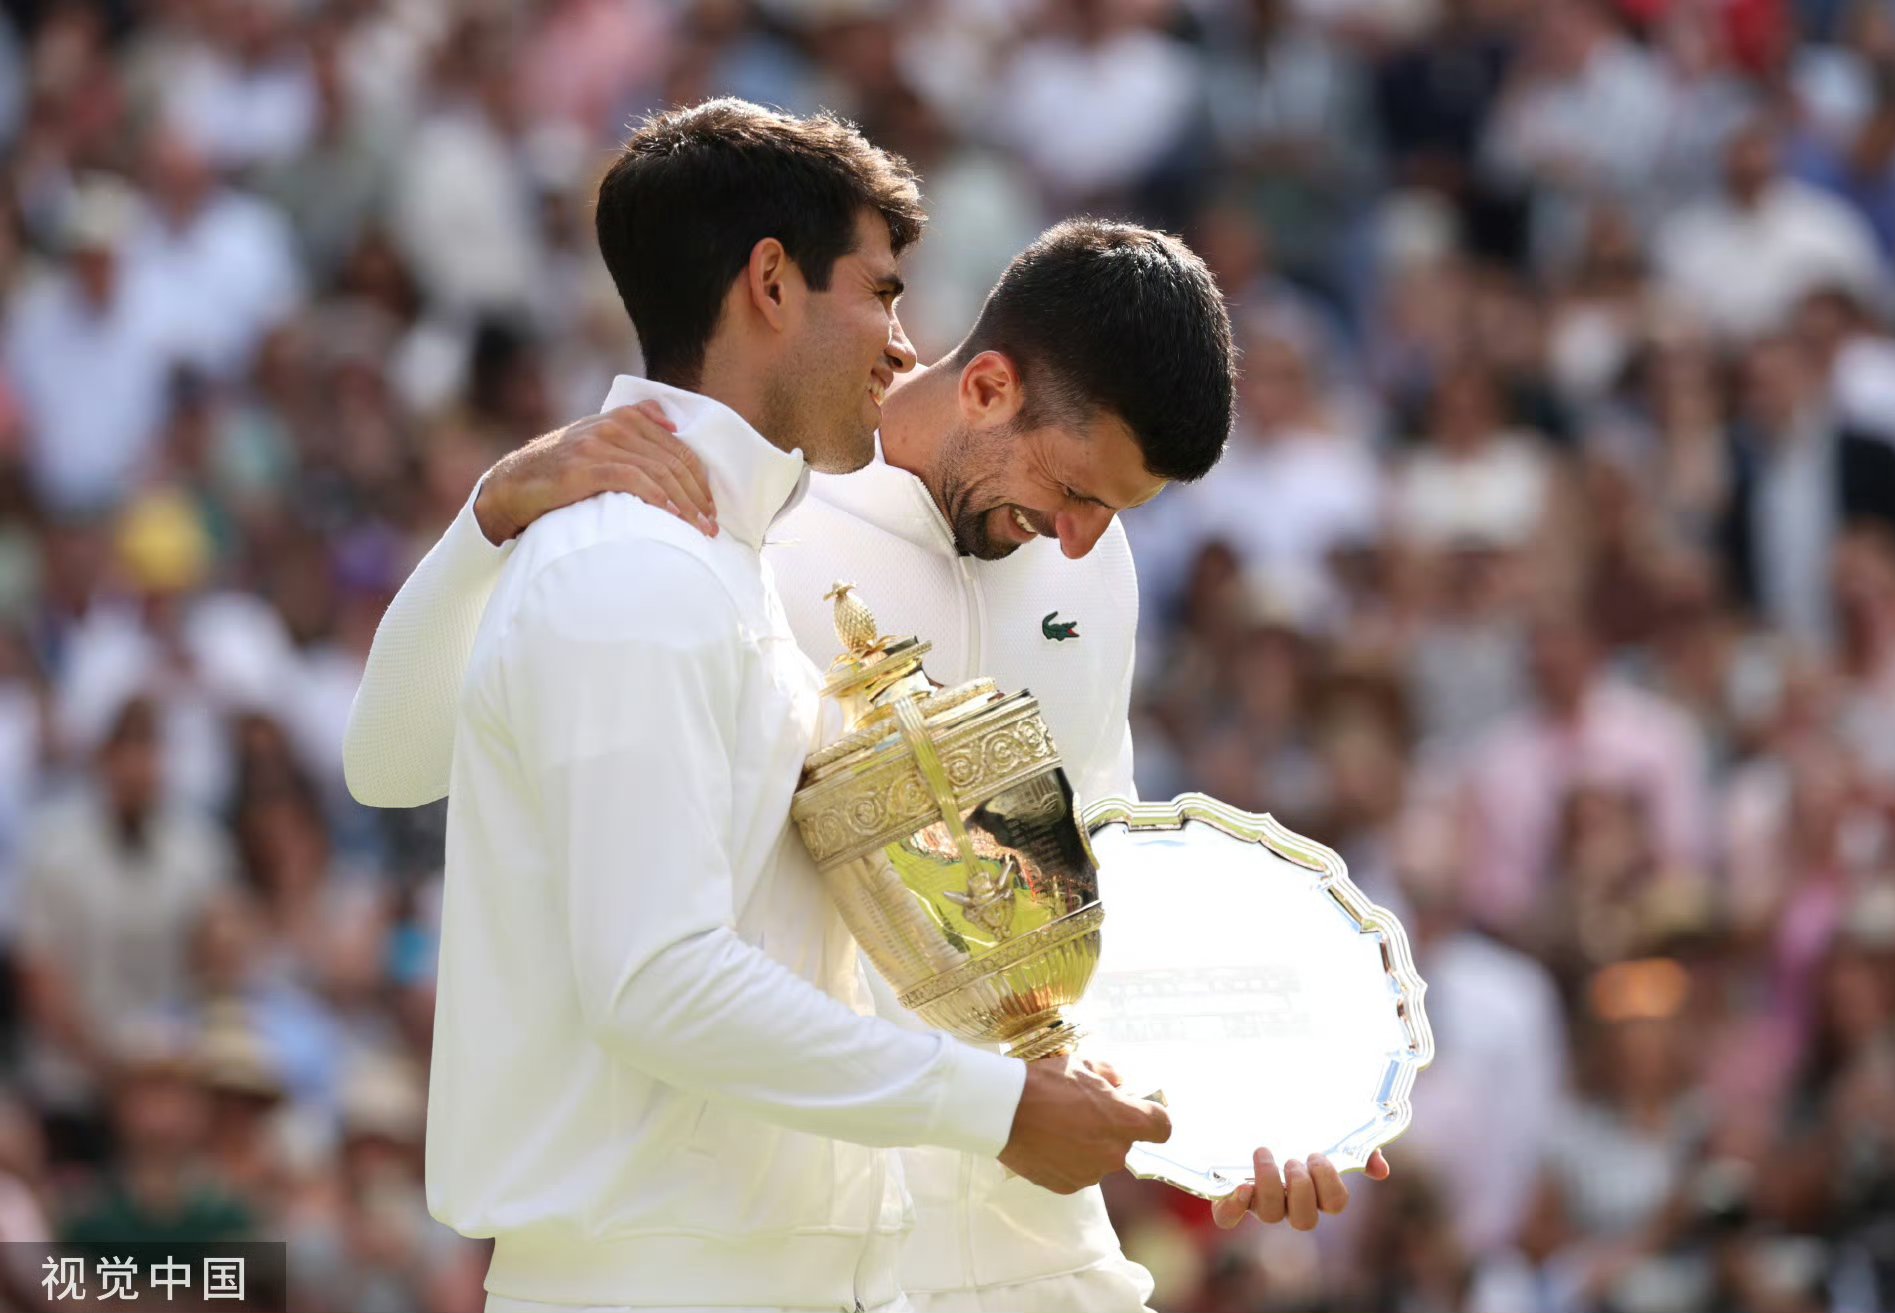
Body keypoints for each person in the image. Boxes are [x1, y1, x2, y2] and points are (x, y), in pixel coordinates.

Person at [348, 211, 1389, 1308]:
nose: (1082, 538)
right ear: (986, 387)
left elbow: (1090, 893)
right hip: (785, 1248)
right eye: (1077, 491)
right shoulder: (714, 518)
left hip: (1036, 1242)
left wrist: (1247, 1108)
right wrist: (489, 513)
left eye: (1117, 512)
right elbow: (390, 761)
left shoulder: (1089, 567)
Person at [397, 98, 1174, 1313]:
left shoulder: (723, 558)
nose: (897, 340)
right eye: (880, 290)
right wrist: (490, 511)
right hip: (654, 1278)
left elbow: (1082, 892)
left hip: (876, 1269)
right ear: (771, 281)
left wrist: (1223, 1109)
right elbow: (654, 979)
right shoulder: (633, 564)